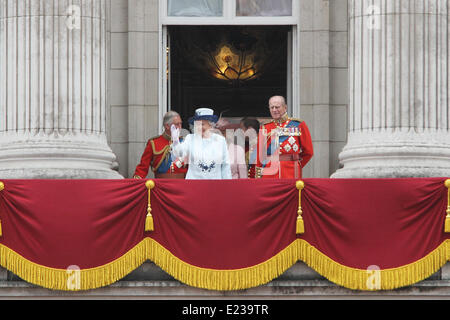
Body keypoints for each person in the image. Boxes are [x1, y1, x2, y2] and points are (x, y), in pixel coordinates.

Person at [255, 96, 313, 179]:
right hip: (269, 174)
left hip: (291, 172)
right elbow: (260, 156)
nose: (274, 110)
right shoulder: (265, 127)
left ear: (285, 107)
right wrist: (258, 175)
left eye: (277, 107)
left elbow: (308, 152)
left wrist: (296, 165)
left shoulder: (298, 125)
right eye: (272, 107)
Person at [171, 108, 232, 180]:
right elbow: (179, 154)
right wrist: (175, 142)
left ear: (210, 124)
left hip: (215, 184)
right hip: (194, 184)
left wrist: (227, 184)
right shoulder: (190, 138)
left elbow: (225, 165)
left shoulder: (220, 140)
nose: (199, 127)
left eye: (202, 124)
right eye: (197, 124)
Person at [133, 111, 188, 179]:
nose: (180, 127)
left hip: (182, 185)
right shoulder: (153, 143)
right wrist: (136, 181)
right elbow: (143, 167)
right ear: (167, 126)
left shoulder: (185, 142)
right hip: (161, 186)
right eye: (177, 124)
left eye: (180, 124)